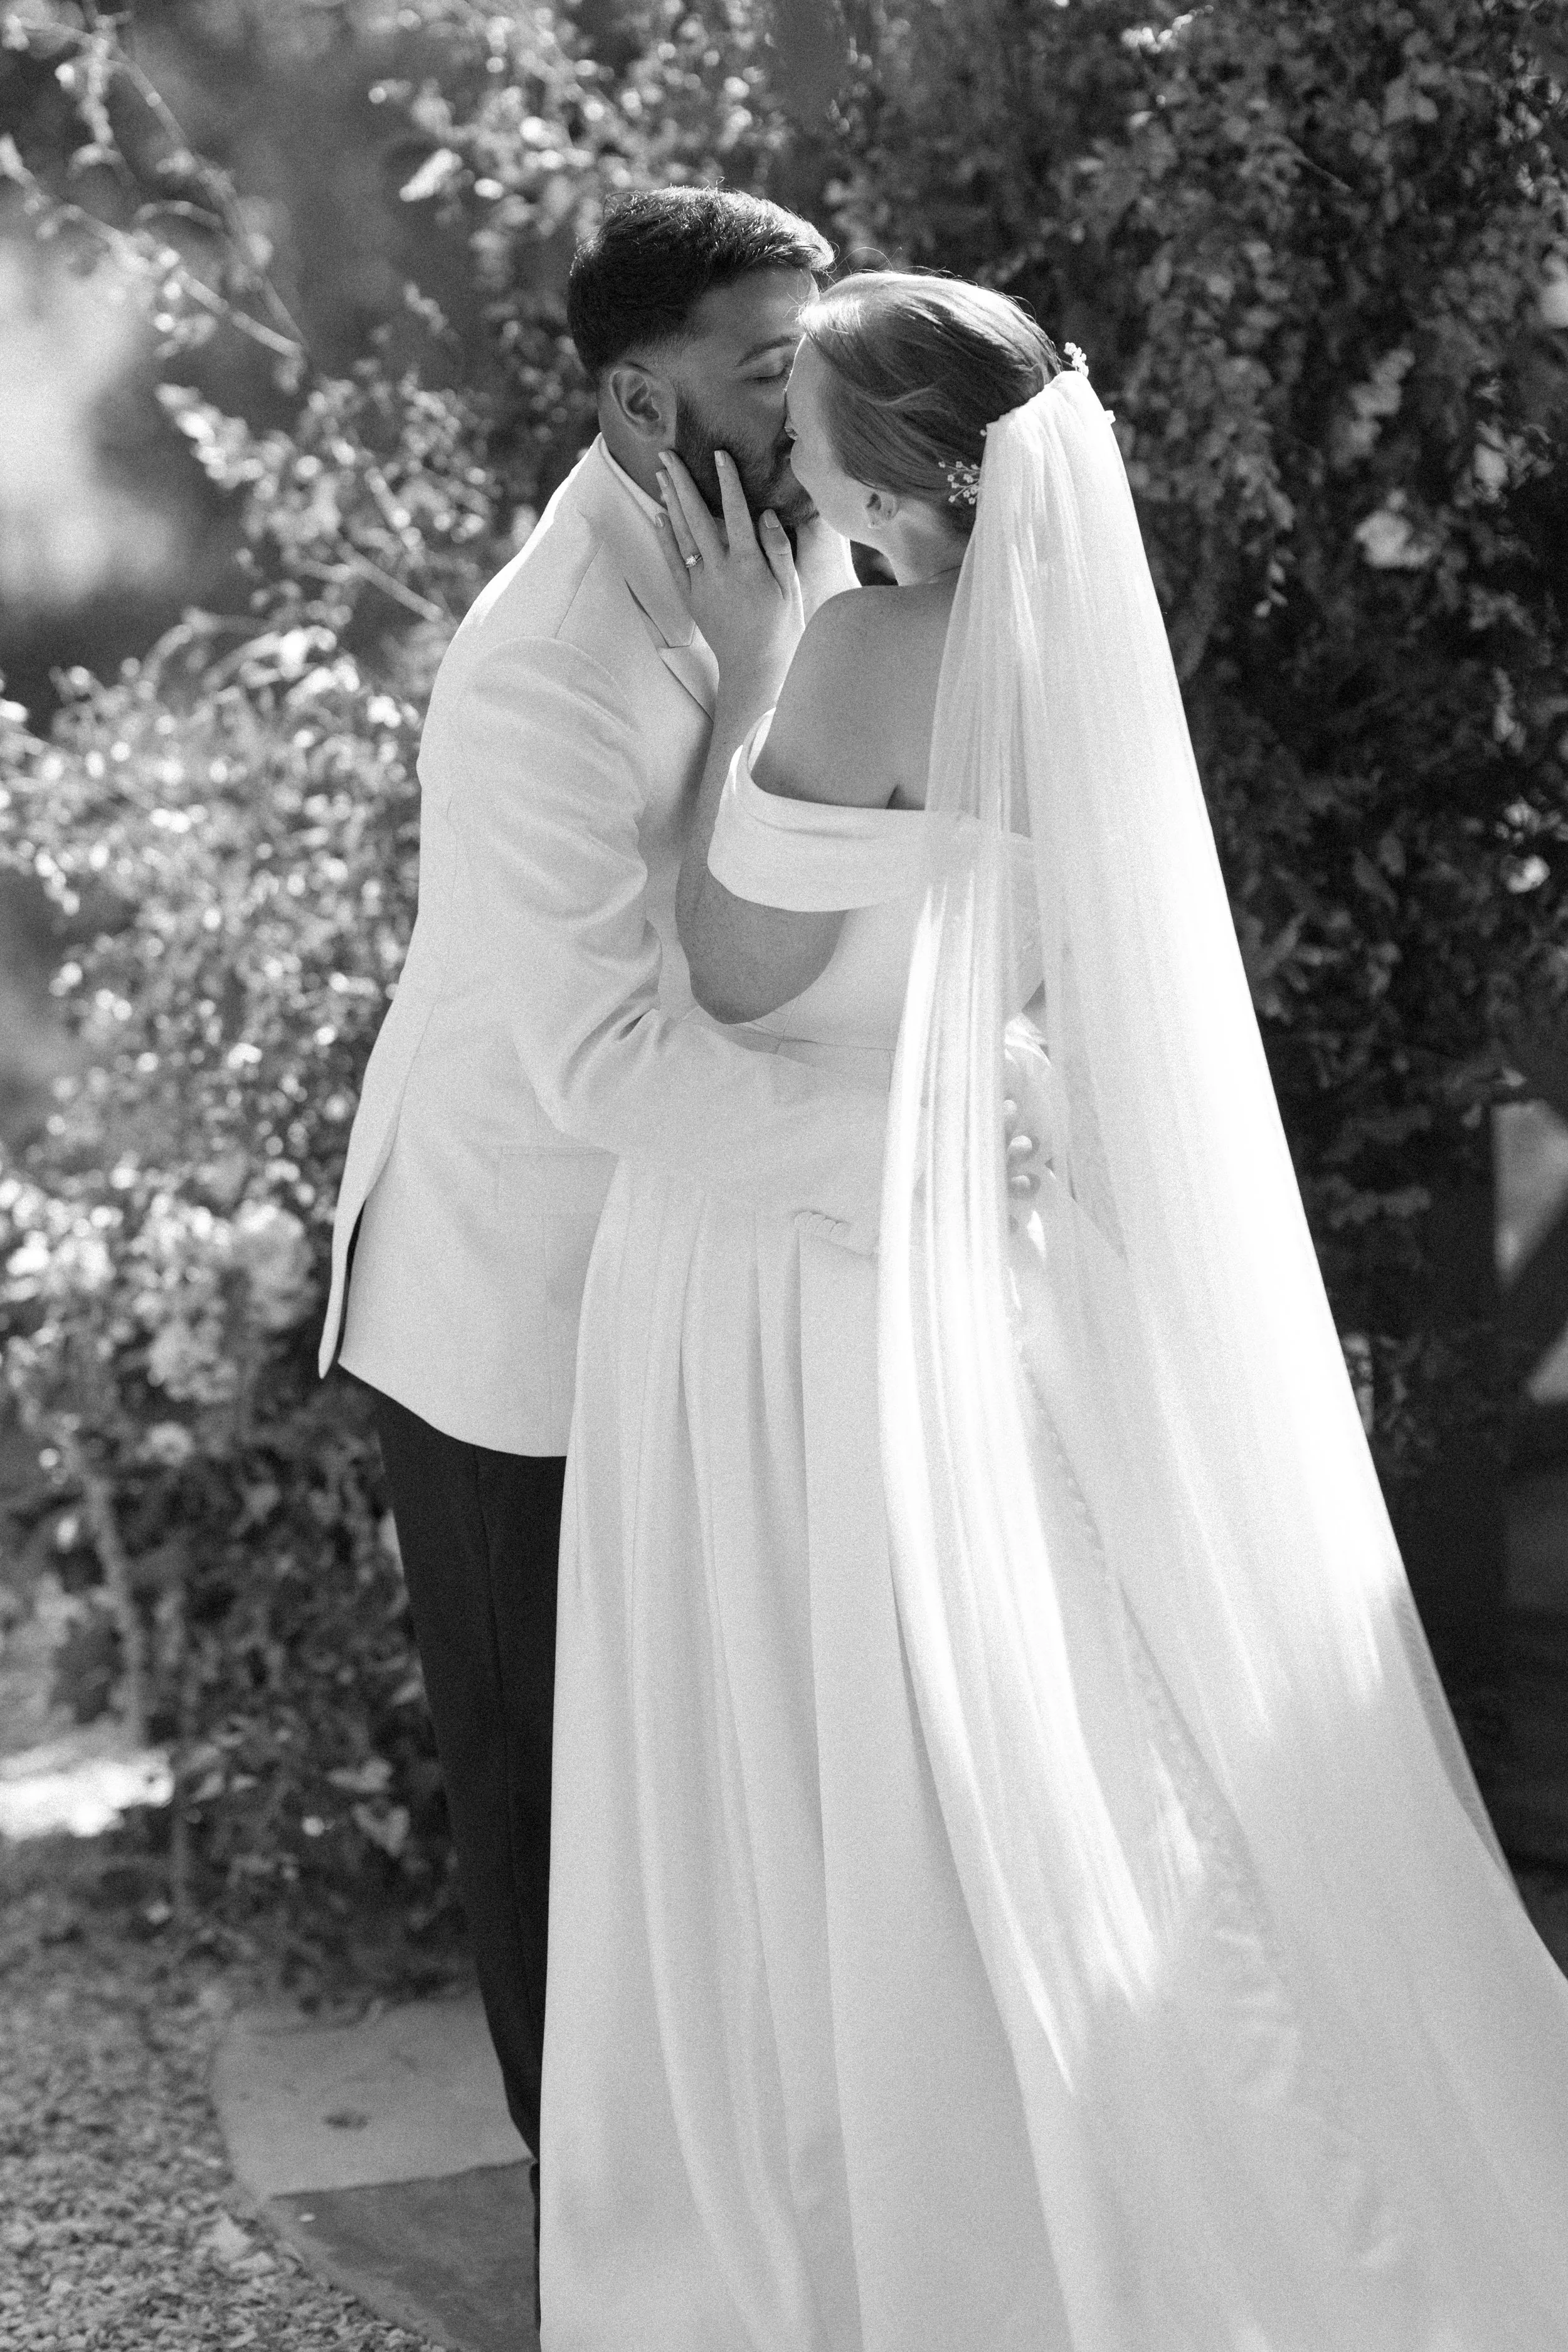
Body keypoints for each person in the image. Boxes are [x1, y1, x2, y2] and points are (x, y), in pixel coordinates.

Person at [539, 270, 1568, 2348]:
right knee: (1092, 1727)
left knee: (897, 1751)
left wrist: (751, 680)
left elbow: (733, 978)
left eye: (809, 421)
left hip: (855, 1279)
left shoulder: (855, 642)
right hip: (1013, 1252)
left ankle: (967, 2196)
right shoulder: (1075, 656)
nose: (787, 457)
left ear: (891, 473)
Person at [316, 188, 889, 2285]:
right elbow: (601, 1060)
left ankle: (743, 2214)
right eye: (769, 363)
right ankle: (599, 2268)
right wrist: (881, 1158)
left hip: (696, 1288)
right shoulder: (541, 666)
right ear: (643, 401)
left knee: (711, 1783)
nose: (809, 393)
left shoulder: (786, 526)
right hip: (509, 1304)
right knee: (552, 1812)